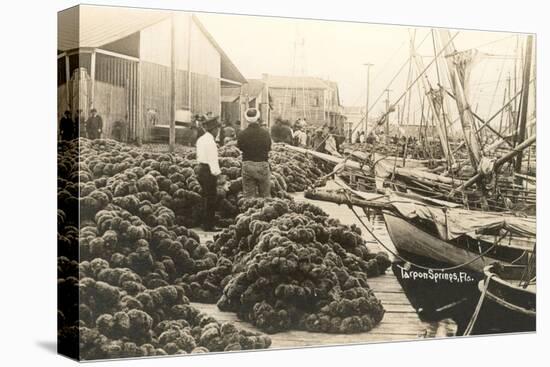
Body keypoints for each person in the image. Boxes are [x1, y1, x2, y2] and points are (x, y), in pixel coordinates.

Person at [237, 108, 272, 198]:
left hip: (248, 164)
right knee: (265, 196)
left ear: (247, 119)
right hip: (262, 164)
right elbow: (268, 148)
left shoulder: (242, 134)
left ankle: (249, 210)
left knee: (248, 197)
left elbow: (240, 148)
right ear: (258, 118)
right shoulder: (265, 133)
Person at [195, 116, 222, 231]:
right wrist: (218, 174)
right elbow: (213, 160)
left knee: (204, 196)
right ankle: (209, 225)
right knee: (211, 197)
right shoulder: (211, 142)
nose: (218, 132)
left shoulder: (201, 139)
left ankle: (203, 222)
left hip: (201, 168)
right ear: (214, 129)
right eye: (217, 129)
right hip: (208, 171)